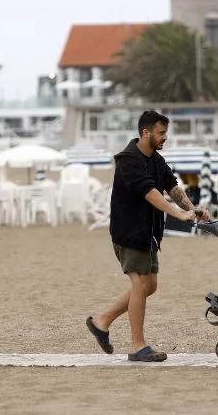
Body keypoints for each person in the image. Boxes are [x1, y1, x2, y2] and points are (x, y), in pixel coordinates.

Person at [86, 110, 210, 362]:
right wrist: (177, 214)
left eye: (166, 133)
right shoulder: (128, 160)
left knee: (149, 286)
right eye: (161, 133)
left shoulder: (155, 159)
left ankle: (102, 321)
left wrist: (191, 209)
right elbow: (151, 193)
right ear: (146, 132)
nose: (165, 138)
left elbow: (172, 186)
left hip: (147, 234)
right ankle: (137, 346)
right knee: (141, 285)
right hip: (129, 233)